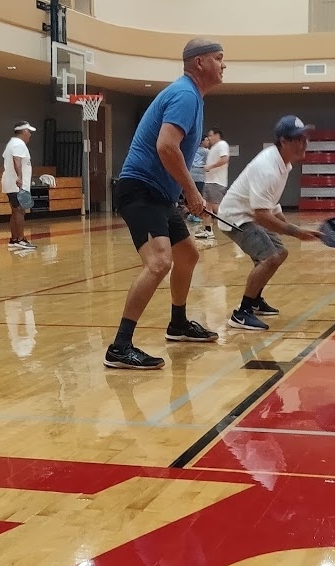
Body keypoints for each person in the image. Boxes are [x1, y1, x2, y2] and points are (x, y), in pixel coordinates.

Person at [104, 38, 226, 370]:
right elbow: (166, 147)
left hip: (159, 194)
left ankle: (178, 324)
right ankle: (119, 346)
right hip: (140, 190)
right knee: (159, 263)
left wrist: (182, 192)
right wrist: (192, 192)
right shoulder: (185, 95)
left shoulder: (192, 97)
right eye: (218, 58)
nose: (224, 64)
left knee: (188, 254)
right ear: (199, 63)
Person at [219, 116, 322, 332]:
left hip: (251, 213)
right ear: (283, 141)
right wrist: (296, 232)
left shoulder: (284, 164)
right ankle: (241, 313)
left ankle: (255, 300)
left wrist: (290, 226)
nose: (304, 143)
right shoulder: (267, 167)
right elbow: (262, 216)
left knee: (280, 253)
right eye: (298, 139)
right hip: (235, 217)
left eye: (305, 138)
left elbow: (271, 204)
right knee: (269, 257)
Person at [2, 122, 37, 251]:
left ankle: (14, 239)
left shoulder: (12, 143)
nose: (30, 135)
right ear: (23, 132)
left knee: (15, 211)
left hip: (12, 184)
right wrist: (20, 177)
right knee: (20, 211)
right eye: (29, 132)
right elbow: (16, 160)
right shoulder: (18, 144)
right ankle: (20, 240)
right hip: (16, 184)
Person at [196, 128, 230, 239]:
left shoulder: (222, 144)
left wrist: (210, 167)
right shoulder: (213, 148)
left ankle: (233, 225)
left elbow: (225, 159)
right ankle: (208, 231)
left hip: (216, 182)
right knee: (207, 208)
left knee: (216, 207)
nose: (209, 138)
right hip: (209, 182)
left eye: (211, 135)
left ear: (217, 135)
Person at [187, 135, 209, 224]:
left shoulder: (193, 150)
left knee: (192, 195)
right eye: (206, 140)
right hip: (199, 175)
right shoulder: (206, 151)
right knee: (199, 196)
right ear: (202, 142)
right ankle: (194, 215)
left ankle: (192, 214)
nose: (208, 142)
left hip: (191, 174)